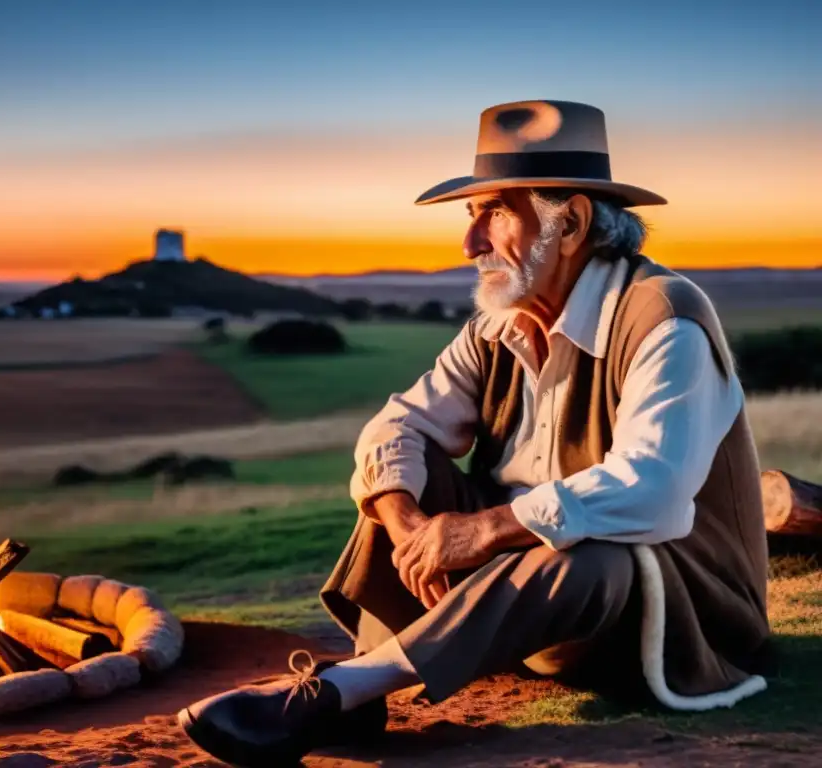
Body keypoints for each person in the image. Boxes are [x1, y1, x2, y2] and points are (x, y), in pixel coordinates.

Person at [177, 99, 773, 767]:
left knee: (594, 550)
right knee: (397, 478)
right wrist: (412, 528)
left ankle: (336, 691)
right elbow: (394, 427)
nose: (470, 243)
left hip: (678, 615)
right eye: (472, 215)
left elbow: (651, 491)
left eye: (495, 213)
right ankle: (360, 693)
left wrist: (478, 531)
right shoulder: (500, 322)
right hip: (529, 606)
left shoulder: (663, 317)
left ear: (570, 222)